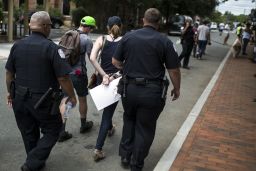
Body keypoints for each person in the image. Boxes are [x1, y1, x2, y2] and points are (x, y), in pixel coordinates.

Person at [5, 11, 77, 171]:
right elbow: (63, 78)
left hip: (19, 98)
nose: (50, 28)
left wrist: (10, 93)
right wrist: (72, 96)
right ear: (45, 26)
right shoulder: (52, 48)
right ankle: (32, 164)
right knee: (55, 129)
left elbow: (9, 73)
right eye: (50, 25)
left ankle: (35, 162)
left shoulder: (17, 45)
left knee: (28, 131)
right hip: (42, 101)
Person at [112, 8, 181, 171]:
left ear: (143, 20)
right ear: (159, 22)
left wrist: (127, 68)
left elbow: (115, 61)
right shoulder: (164, 41)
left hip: (129, 90)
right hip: (152, 92)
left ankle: (125, 155)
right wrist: (177, 88)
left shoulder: (129, 36)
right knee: (145, 127)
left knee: (129, 120)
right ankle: (137, 164)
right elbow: (174, 70)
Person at [58, 16, 96, 142]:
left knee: (66, 100)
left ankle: (62, 130)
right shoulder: (86, 40)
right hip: (79, 73)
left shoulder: (67, 35)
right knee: (82, 98)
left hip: (65, 74)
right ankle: (83, 124)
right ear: (89, 27)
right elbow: (92, 59)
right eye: (91, 28)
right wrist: (98, 72)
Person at [89, 16, 123, 161]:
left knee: (105, 110)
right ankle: (98, 149)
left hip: (100, 81)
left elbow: (92, 58)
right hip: (114, 82)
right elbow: (125, 63)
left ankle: (110, 128)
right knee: (107, 115)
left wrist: (103, 75)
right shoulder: (124, 41)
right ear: (120, 26)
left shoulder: (101, 39)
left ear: (107, 27)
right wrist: (113, 76)